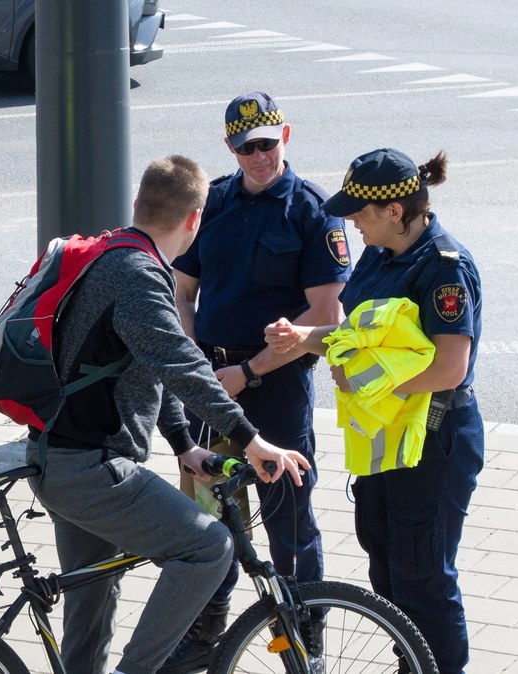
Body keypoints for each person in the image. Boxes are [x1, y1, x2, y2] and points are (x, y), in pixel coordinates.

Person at [26, 155, 310, 674]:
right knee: (207, 548)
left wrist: (185, 446)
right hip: (91, 470)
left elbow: (146, 361)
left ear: (138, 204)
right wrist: (251, 440)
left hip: (58, 458)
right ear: (194, 220)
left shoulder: (110, 252)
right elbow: (182, 366)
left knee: (92, 597)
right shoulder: (138, 274)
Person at [265, 148, 483, 674]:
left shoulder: (444, 268)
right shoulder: (381, 254)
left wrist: (364, 383)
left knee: (424, 579)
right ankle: (414, 663)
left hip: (434, 438)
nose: (352, 221)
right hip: (390, 436)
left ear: (395, 210)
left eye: (360, 211)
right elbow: (354, 337)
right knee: (388, 575)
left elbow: (450, 368)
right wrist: (303, 339)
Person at [161, 92, 351, 673]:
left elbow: (328, 316)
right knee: (206, 518)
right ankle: (203, 638)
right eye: (246, 148)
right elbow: (182, 288)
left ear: (285, 136)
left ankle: (302, 638)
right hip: (211, 377)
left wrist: (247, 372)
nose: (259, 156)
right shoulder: (212, 202)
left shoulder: (314, 211)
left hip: (276, 384)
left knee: (287, 514)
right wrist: (194, 357)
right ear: (230, 148)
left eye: (267, 143)